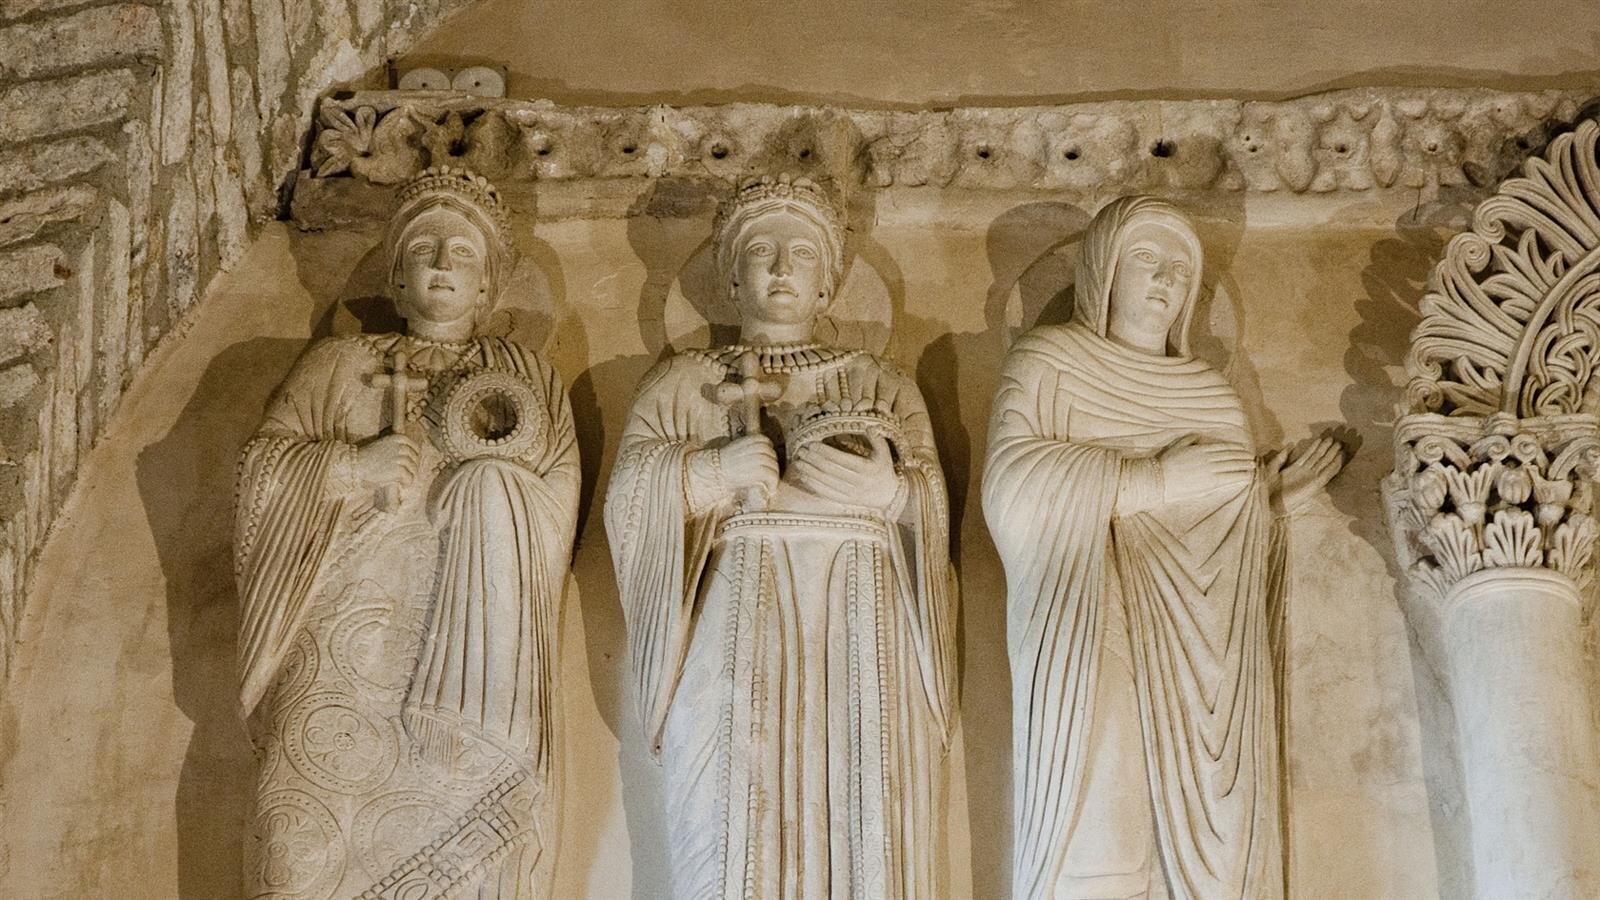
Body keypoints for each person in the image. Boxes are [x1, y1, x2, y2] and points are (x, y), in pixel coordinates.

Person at [605, 175, 957, 899]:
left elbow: (932, 508)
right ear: (731, 279)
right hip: (734, 614)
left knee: (864, 811)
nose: (780, 267)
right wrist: (708, 471)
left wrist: (889, 492)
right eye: (760, 251)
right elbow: (629, 503)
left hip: (860, 623)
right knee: (729, 812)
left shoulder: (881, 382)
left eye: (801, 252)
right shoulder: (683, 382)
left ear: (829, 283)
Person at [983, 196, 1342, 899]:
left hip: (1199, 666)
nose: (1166, 280)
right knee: (1102, 807)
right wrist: (1153, 479)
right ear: (1103, 273)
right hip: (1090, 618)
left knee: (1204, 830)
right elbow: (1011, 487)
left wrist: (1264, 507)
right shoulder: (1051, 361)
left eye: (1182, 269)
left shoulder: (1209, 395)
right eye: (1146, 259)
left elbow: (1221, 544)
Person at [234, 166, 578, 898]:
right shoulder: (337, 365)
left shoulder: (523, 374)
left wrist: (491, 489)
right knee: (300, 853)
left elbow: (557, 497)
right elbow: (260, 477)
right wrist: (347, 468)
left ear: (488, 285)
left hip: (475, 660)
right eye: (425, 247)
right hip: (337, 647)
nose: (444, 263)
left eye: (463, 252)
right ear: (395, 279)